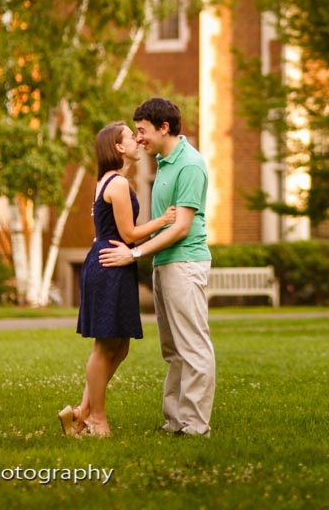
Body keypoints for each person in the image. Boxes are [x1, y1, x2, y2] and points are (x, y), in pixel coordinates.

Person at [99, 97, 214, 437]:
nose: (140, 138)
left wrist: (133, 255)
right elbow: (163, 224)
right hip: (166, 264)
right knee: (173, 350)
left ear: (164, 128)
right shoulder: (165, 163)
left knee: (193, 346)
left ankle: (195, 425)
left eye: (142, 130)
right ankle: (176, 420)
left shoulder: (190, 165)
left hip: (185, 262)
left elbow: (180, 227)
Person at [60, 121, 175, 438]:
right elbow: (128, 234)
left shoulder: (107, 181)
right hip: (111, 266)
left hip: (114, 264)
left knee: (120, 347)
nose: (138, 141)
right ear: (118, 148)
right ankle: (96, 418)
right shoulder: (118, 184)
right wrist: (162, 221)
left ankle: (81, 412)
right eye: (130, 137)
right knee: (104, 347)